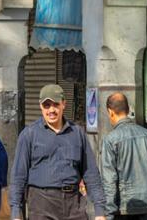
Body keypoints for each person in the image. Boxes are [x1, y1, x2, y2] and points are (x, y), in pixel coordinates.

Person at [10, 84, 107, 220]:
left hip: (74, 205)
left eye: (56, 104)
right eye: (47, 105)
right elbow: (18, 176)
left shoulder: (77, 133)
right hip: (41, 205)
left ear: (63, 104)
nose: (51, 110)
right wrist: (16, 212)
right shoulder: (29, 134)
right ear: (40, 106)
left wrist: (100, 211)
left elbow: (91, 173)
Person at [100, 93, 147, 220]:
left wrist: (109, 213)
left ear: (110, 112)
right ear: (128, 109)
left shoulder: (110, 140)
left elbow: (109, 181)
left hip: (125, 209)